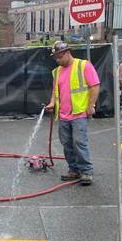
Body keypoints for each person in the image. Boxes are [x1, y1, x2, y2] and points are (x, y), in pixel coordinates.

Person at [44, 41, 100, 186]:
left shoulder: (83, 66)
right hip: (63, 115)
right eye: (55, 57)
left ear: (67, 53)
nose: (57, 60)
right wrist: (52, 103)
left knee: (79, 143)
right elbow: (55, 91)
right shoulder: (56, 72)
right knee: (67, 144)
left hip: (79, 113)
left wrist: (91, 105)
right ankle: (74, 170)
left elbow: (95, 86)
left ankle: (86, 171)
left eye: (59, 57)